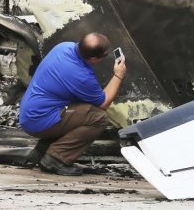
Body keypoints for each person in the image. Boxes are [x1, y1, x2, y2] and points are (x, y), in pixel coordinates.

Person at [19, 33, 127, 176]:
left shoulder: (63, 47)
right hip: (39, 120)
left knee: (81, 109)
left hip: (30, 113)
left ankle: (43, 150)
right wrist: (118, 75)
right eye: (105, 56)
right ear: (93, 59)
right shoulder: (81, 76)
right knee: (97, 117)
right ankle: (55, 159)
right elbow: (104, 103)